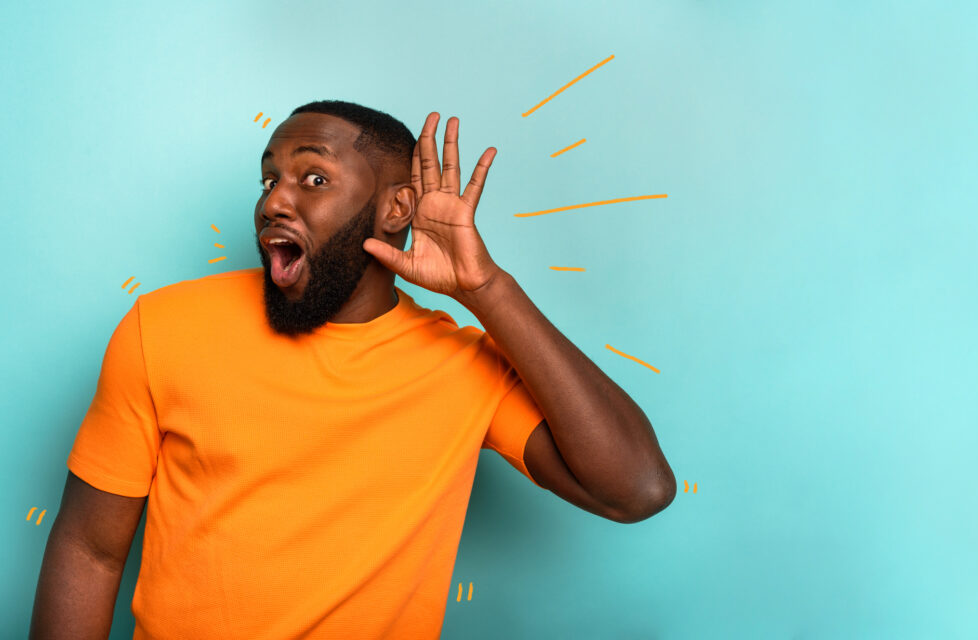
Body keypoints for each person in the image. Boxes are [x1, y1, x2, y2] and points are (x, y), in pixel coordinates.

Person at [29, 100, 676, 639]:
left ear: (396, 210)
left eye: (313, 179)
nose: (274, 201)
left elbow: (637, 489)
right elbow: (90, 548)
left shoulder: (461, 365)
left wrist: (487, 289)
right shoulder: (162, 327)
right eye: (269, 179)